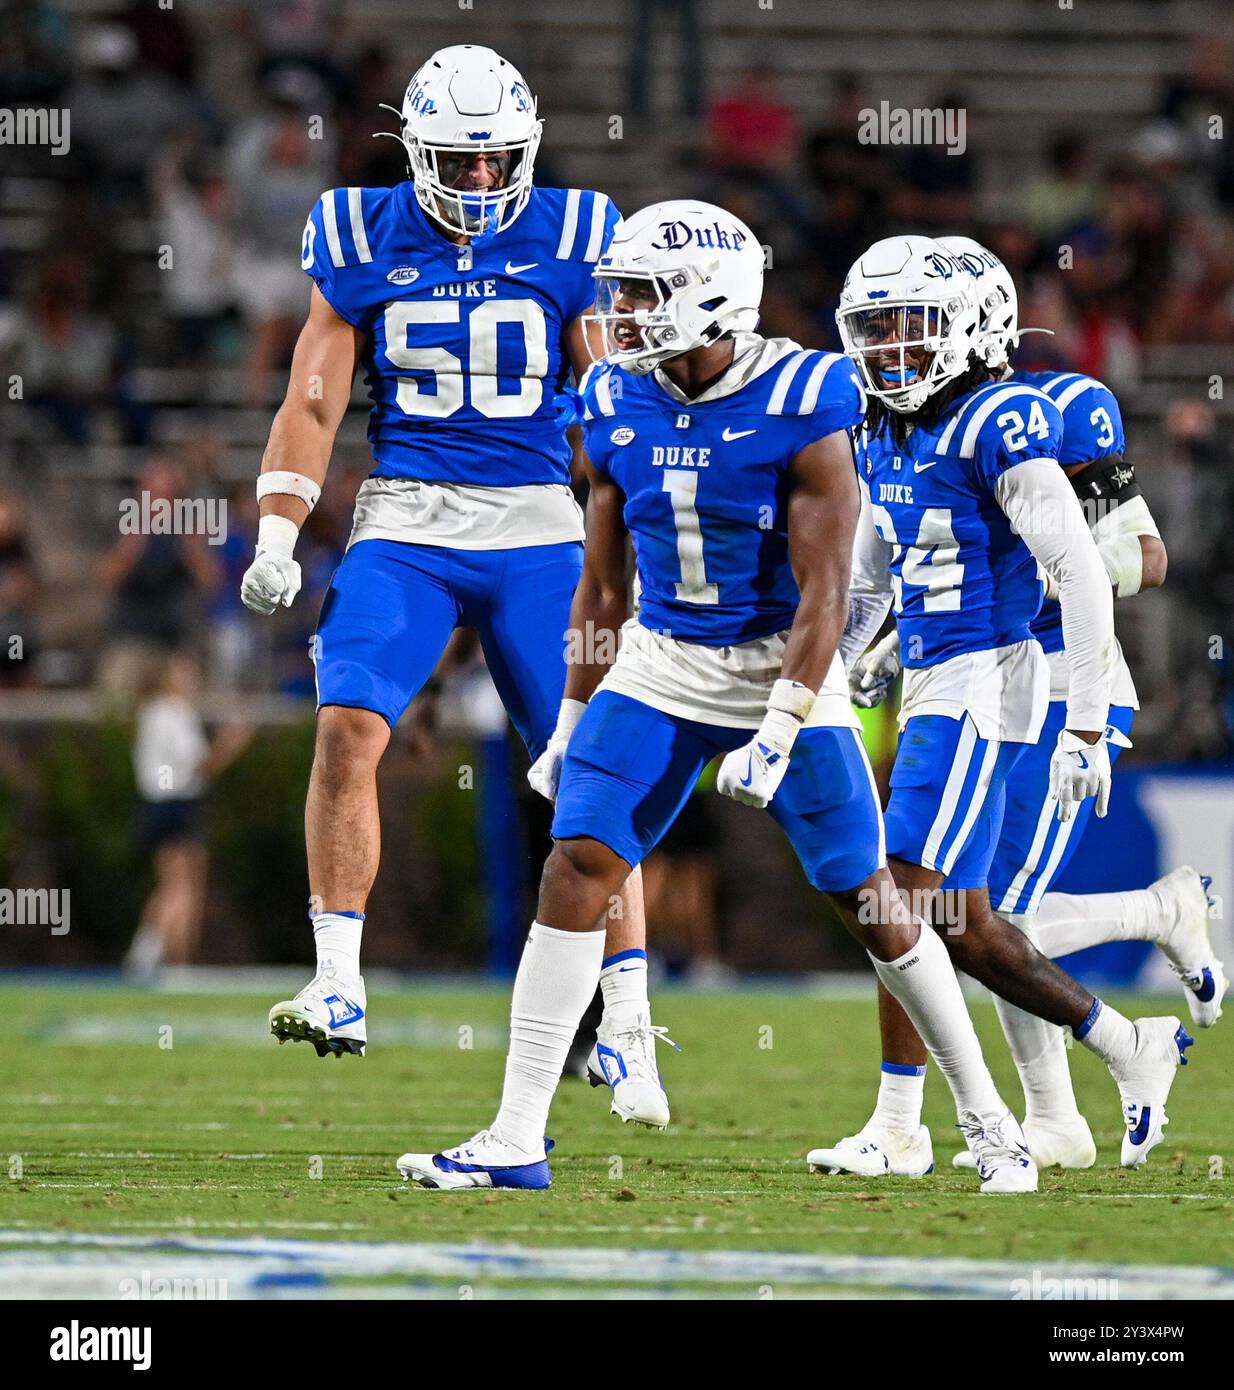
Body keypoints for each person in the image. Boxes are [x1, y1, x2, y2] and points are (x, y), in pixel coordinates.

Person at [396, 200, 1069, 1195]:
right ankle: (514, 1136)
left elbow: (826, 589)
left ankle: (989, 1125)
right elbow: (601, 585)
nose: (617, 313)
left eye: (640, 294)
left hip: (776, 667)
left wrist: (783, 722)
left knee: (874, 902)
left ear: (710, 299)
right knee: (574, 864)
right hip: (663, 665)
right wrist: (574, 719)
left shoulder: (805, 395)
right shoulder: (615, 396)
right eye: (617, 291)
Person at [242, 46, 666, 1125]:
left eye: (495, 162)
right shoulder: (355, 231)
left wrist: (647, 530)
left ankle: (624, 1027)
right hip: (409, 521)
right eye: (456, 162)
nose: (479, 184)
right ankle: (338, 978)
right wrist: (279, 527)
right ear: (414, 153)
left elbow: (613, 398)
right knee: (346, 725)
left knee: (593, 772)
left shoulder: (574, 231)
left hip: (539, 531)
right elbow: (312, 395)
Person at [832, 237, 1223, 1175]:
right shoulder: (885, 425)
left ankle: (942, 1121)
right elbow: (890, 569)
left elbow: (1130, 564)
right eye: (874, 328)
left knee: (946, 910)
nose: (887, 348)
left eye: (907, 327)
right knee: (967, 919)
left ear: (972, 323)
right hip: (959, 668)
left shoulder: (1048, 414)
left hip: (1041, 677)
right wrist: (860, 652)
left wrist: (1079, 706)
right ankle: (1090, 1074)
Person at [126, 651, 250, 973]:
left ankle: (161, 954)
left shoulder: (154, 711)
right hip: (174, 805)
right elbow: (202, 766)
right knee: (180, 886)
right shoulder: (172, 713)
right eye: (184, 672)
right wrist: (231, 743)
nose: (191, 679)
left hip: (162, 803)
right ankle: (159, 955)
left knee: (180, 884)